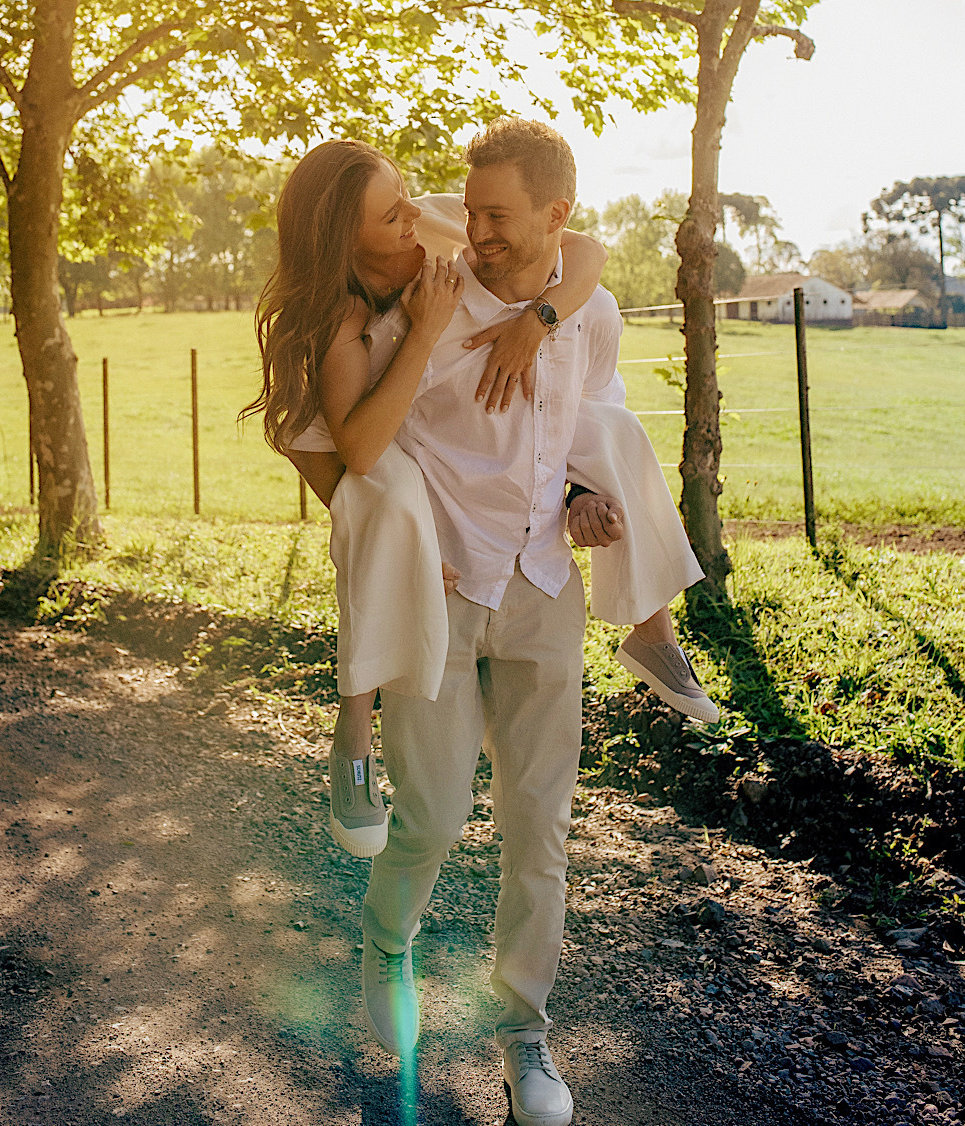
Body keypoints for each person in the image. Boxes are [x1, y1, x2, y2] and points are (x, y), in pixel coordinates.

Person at [353, 118, 712, 1126]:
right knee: (428, 815)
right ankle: (387, 940)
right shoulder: (432, 297)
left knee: (538, 831)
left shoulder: (587, 316)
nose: (478, 232)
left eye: (499, 215)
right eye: (470, 212)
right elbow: (374, 441)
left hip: (546, 589)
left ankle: (524, 1034)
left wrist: (585, 504)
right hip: (444, 589)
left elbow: (588, 428)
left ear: (557, 215)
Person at [245, 139, 610, 857]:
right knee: (380, 511)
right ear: (345, 242)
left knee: (397, 514)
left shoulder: (440, 224)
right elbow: (356, 452)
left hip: (396, 441)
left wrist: (539, 319)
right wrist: (427, 330)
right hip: (343, 445)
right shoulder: (339, 320)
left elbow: (588, 252)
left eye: (403, 193)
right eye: (390, 215)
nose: (415, 213)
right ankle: (353, 726)